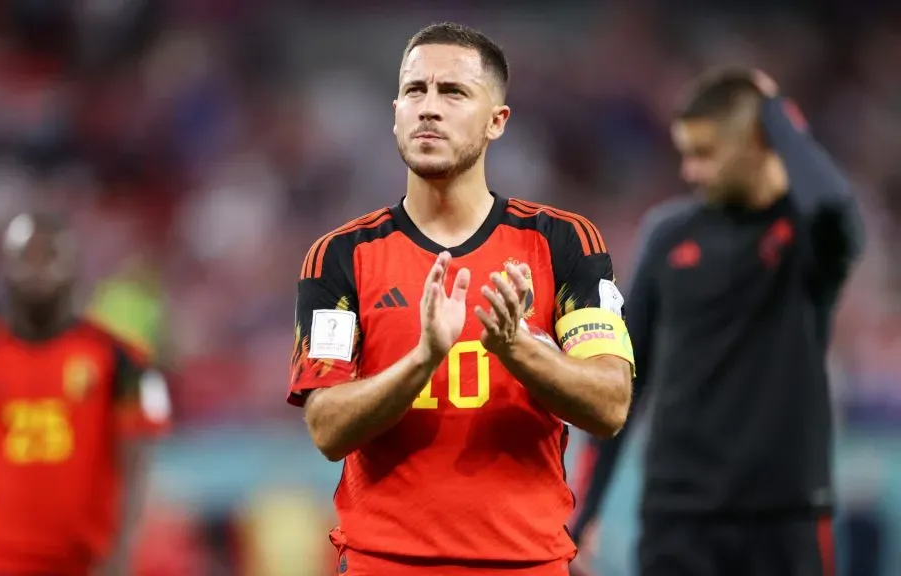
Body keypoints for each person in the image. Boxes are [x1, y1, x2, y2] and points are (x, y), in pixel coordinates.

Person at [287, 22, 635, 576]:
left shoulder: (564, 243)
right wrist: (423, 357)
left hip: (525, 565)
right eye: (414, 91)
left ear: (497, 121)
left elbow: (611, 405)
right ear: (395, 110)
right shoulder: (339, 256)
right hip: (386, 565)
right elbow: (327, 428)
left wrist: (517, 349)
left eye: (453, 93)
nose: (429, 108)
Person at [569, 69, 864, 576]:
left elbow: (836, 208)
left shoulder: (802, 236)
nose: (689, 171)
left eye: (704, 154)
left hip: (785, 519)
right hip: (677, 518)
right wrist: (582, 514)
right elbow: (623, 382)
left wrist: (775, 115)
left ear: (756, 143)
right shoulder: (669, 236)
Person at [0, 212, 172, 576]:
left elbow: (137, 470)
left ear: (74, 267)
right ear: (5, 267)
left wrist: (119, 558)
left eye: (49, 255)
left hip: (87, 565)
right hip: (4, 565)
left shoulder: (121, 360)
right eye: (26, 257)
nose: (37, 269)